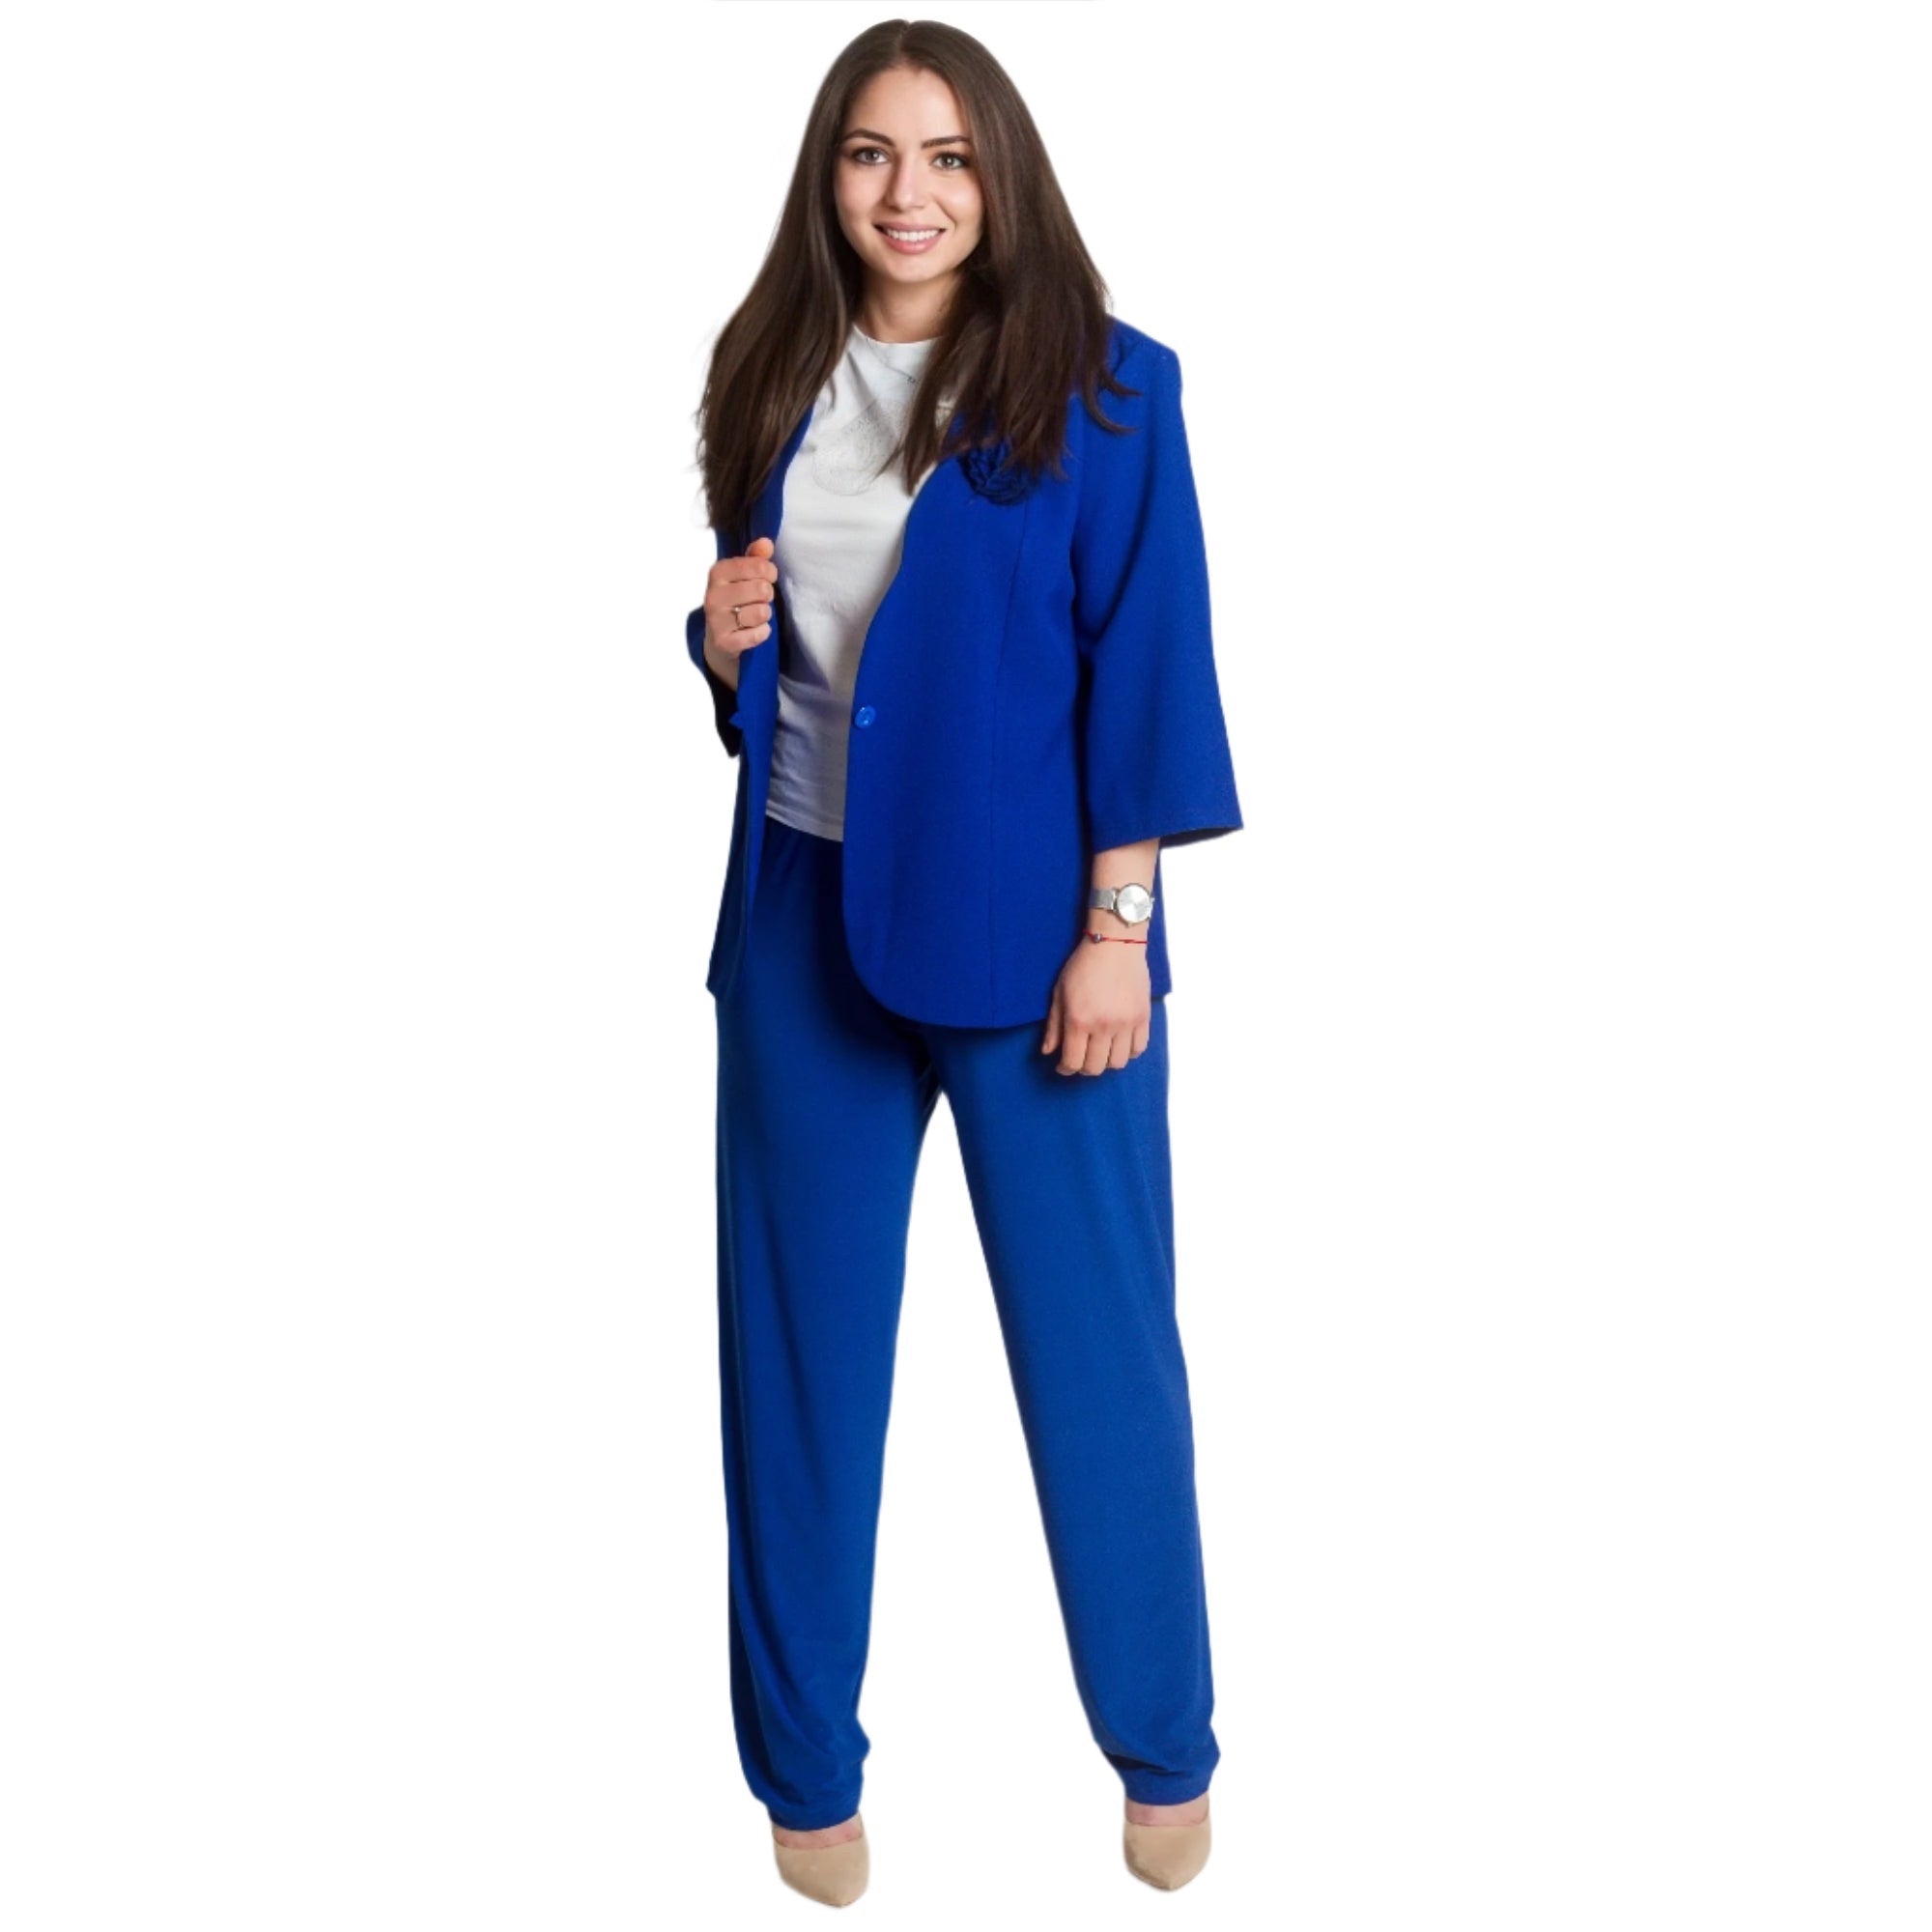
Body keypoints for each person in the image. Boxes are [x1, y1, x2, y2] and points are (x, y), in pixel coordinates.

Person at [682, 19, 1243, 1906]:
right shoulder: (767, 370)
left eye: (945, 156)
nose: (906, 193)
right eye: (868, 154)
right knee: (795, 1379)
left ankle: (1163, 1743)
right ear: (827, 178)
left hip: (1039, 950)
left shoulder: (1108, 389)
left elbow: (1145, 668)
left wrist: (1119, 931)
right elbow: (791, 662)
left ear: (1000, 177)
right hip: (800, 920)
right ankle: (804, 1777)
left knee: (1100, 1367)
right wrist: (714, 642)